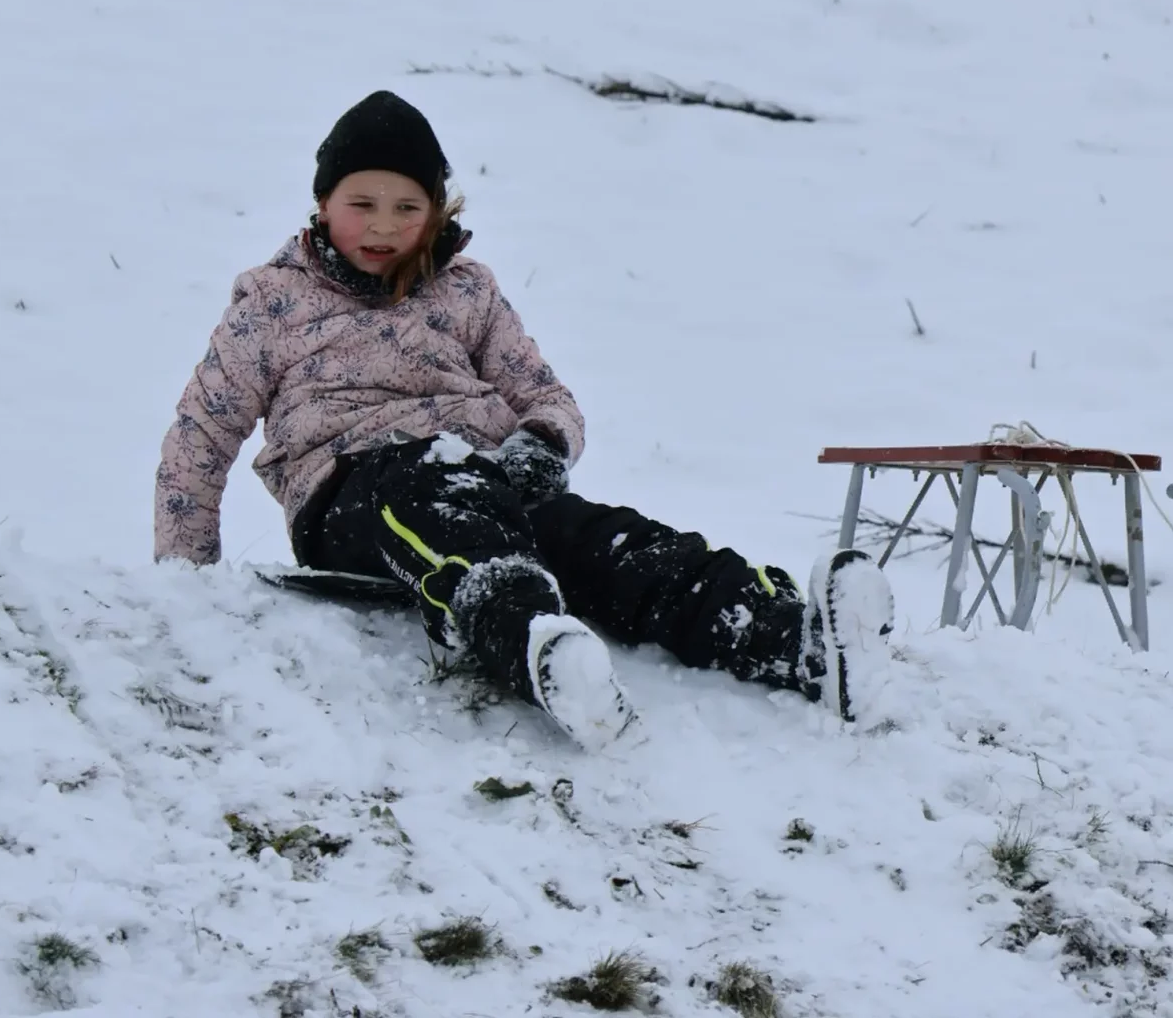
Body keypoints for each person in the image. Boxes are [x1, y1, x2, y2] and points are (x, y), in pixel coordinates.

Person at [156, 91, 893, 746]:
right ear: (322, 203)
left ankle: (790, 639)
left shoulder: (467, 293)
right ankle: (533, 640)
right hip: (354, 494)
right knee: (430, 499)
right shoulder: (272, 305)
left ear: (436, 212)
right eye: (362, 204)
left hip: (485, 478)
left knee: (606, 540)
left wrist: (540, 446)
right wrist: (185, 586)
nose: (383, 226)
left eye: (407, 208)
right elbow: (202, 434)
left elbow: (545, 396)